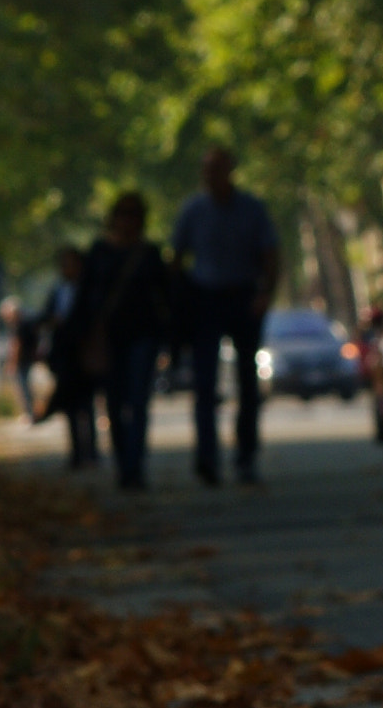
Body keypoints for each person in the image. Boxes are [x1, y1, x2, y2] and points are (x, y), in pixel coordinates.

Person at [171, 143, 280, 485]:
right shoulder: (193, 210)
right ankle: (207, 458)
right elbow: (176, 257)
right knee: (204, 383)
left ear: (230, 171)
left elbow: (271, 253)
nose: (210, 176)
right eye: (206, 170)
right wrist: (178, 300)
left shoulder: (251, 209)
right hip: (205, 300)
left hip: (243, 298)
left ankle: (245, 456)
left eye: (217, 169)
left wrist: (265, 293)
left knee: (248, 381)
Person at [79, 192, 174, 490]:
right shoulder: (98, 252)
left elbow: (166, 297)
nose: (128, 220)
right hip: (108, 338)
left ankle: (135, 466)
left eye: (133, 214)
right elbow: (84, 297)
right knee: (115, 402)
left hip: (143, 337)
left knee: (138, 401)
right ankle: (123, 463)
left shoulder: (149, 254)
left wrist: (169, 337)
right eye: (123, 213)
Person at [39, 246, 98, 467]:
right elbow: (45, 315)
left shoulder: (89, 290)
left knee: (86, 403)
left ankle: (91, 451)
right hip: (65, 354)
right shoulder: (57, 291)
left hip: (84, 352)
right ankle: (76, 452)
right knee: (71, 405)